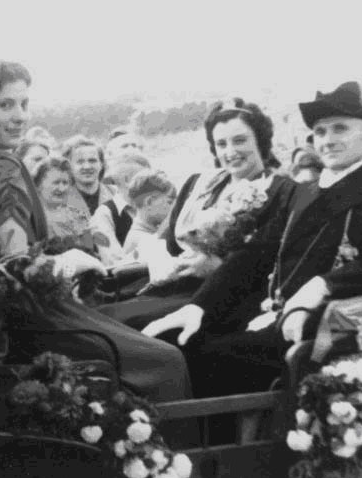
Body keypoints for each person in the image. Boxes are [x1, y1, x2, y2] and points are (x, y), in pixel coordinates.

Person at [145, 82, 362, 398]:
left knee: (200, 356)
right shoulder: (304, 192)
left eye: (340, 129)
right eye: (320, 132)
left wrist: (323, 285)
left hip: (323, 330)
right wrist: (200, 306)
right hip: (272, 312)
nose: (328, 140)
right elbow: (255, 254)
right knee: (173, 340)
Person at [0, 61, 190, 402]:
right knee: (167, 361)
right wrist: (68, 263)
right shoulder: (2, 166)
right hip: (35, 318)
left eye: (24, 104)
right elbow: (19, 265)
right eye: (4, 105)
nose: (20, 116)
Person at [99, 98, 297, 332]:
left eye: (240, 140)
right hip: (174, 285)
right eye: (221, 144)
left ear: (260, 140)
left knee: (129, 327)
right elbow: (168, 243)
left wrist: (215, 266)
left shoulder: (281, 190)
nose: (230, 152)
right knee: (103, 317)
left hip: (227, 299)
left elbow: (270, 263)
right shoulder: (197, 184)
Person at [89, 150, 151, 265]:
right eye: (147, 179)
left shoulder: (154, 208)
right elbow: (114, 262)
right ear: (127, 180)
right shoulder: (103, 215)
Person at [33, 156, 92, 243]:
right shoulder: (31, 218)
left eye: (65, 183)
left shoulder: (78, 216)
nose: (61, 189)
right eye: (56, 183)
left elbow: (90, 246)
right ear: (38, 185)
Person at [122, 169, 177, 257]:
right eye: (169, 202)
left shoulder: (144, 235)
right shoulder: (143, 241)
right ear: (149, 202)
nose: (174, 207)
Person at [62, 136, 114, 216]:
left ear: (101, 164)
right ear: (69, 166)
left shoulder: (116, 195)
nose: (87, 167)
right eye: (80, 162)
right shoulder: (60, 198)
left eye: (92, 161)